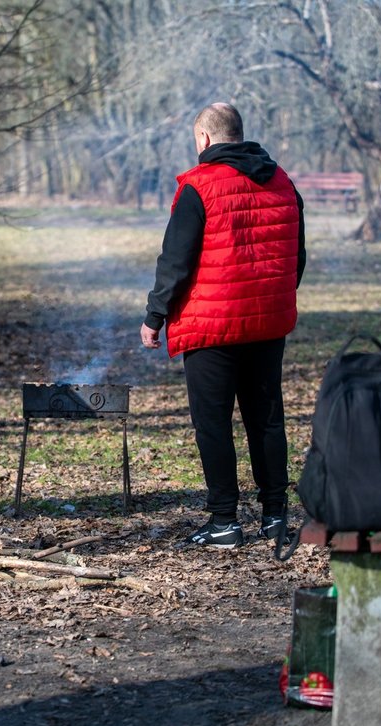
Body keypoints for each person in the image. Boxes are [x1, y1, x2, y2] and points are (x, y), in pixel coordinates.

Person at [140, 103, 306, 548]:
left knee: (213, 424)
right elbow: (297, 257)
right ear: (240, 134)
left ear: (205, 140)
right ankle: (275, 518)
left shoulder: (198, 187)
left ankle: (224, 522)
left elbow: (175, 261)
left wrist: (155, 315)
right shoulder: (283, 181)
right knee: (267, 420)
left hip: (211, 326)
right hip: (267, 324)